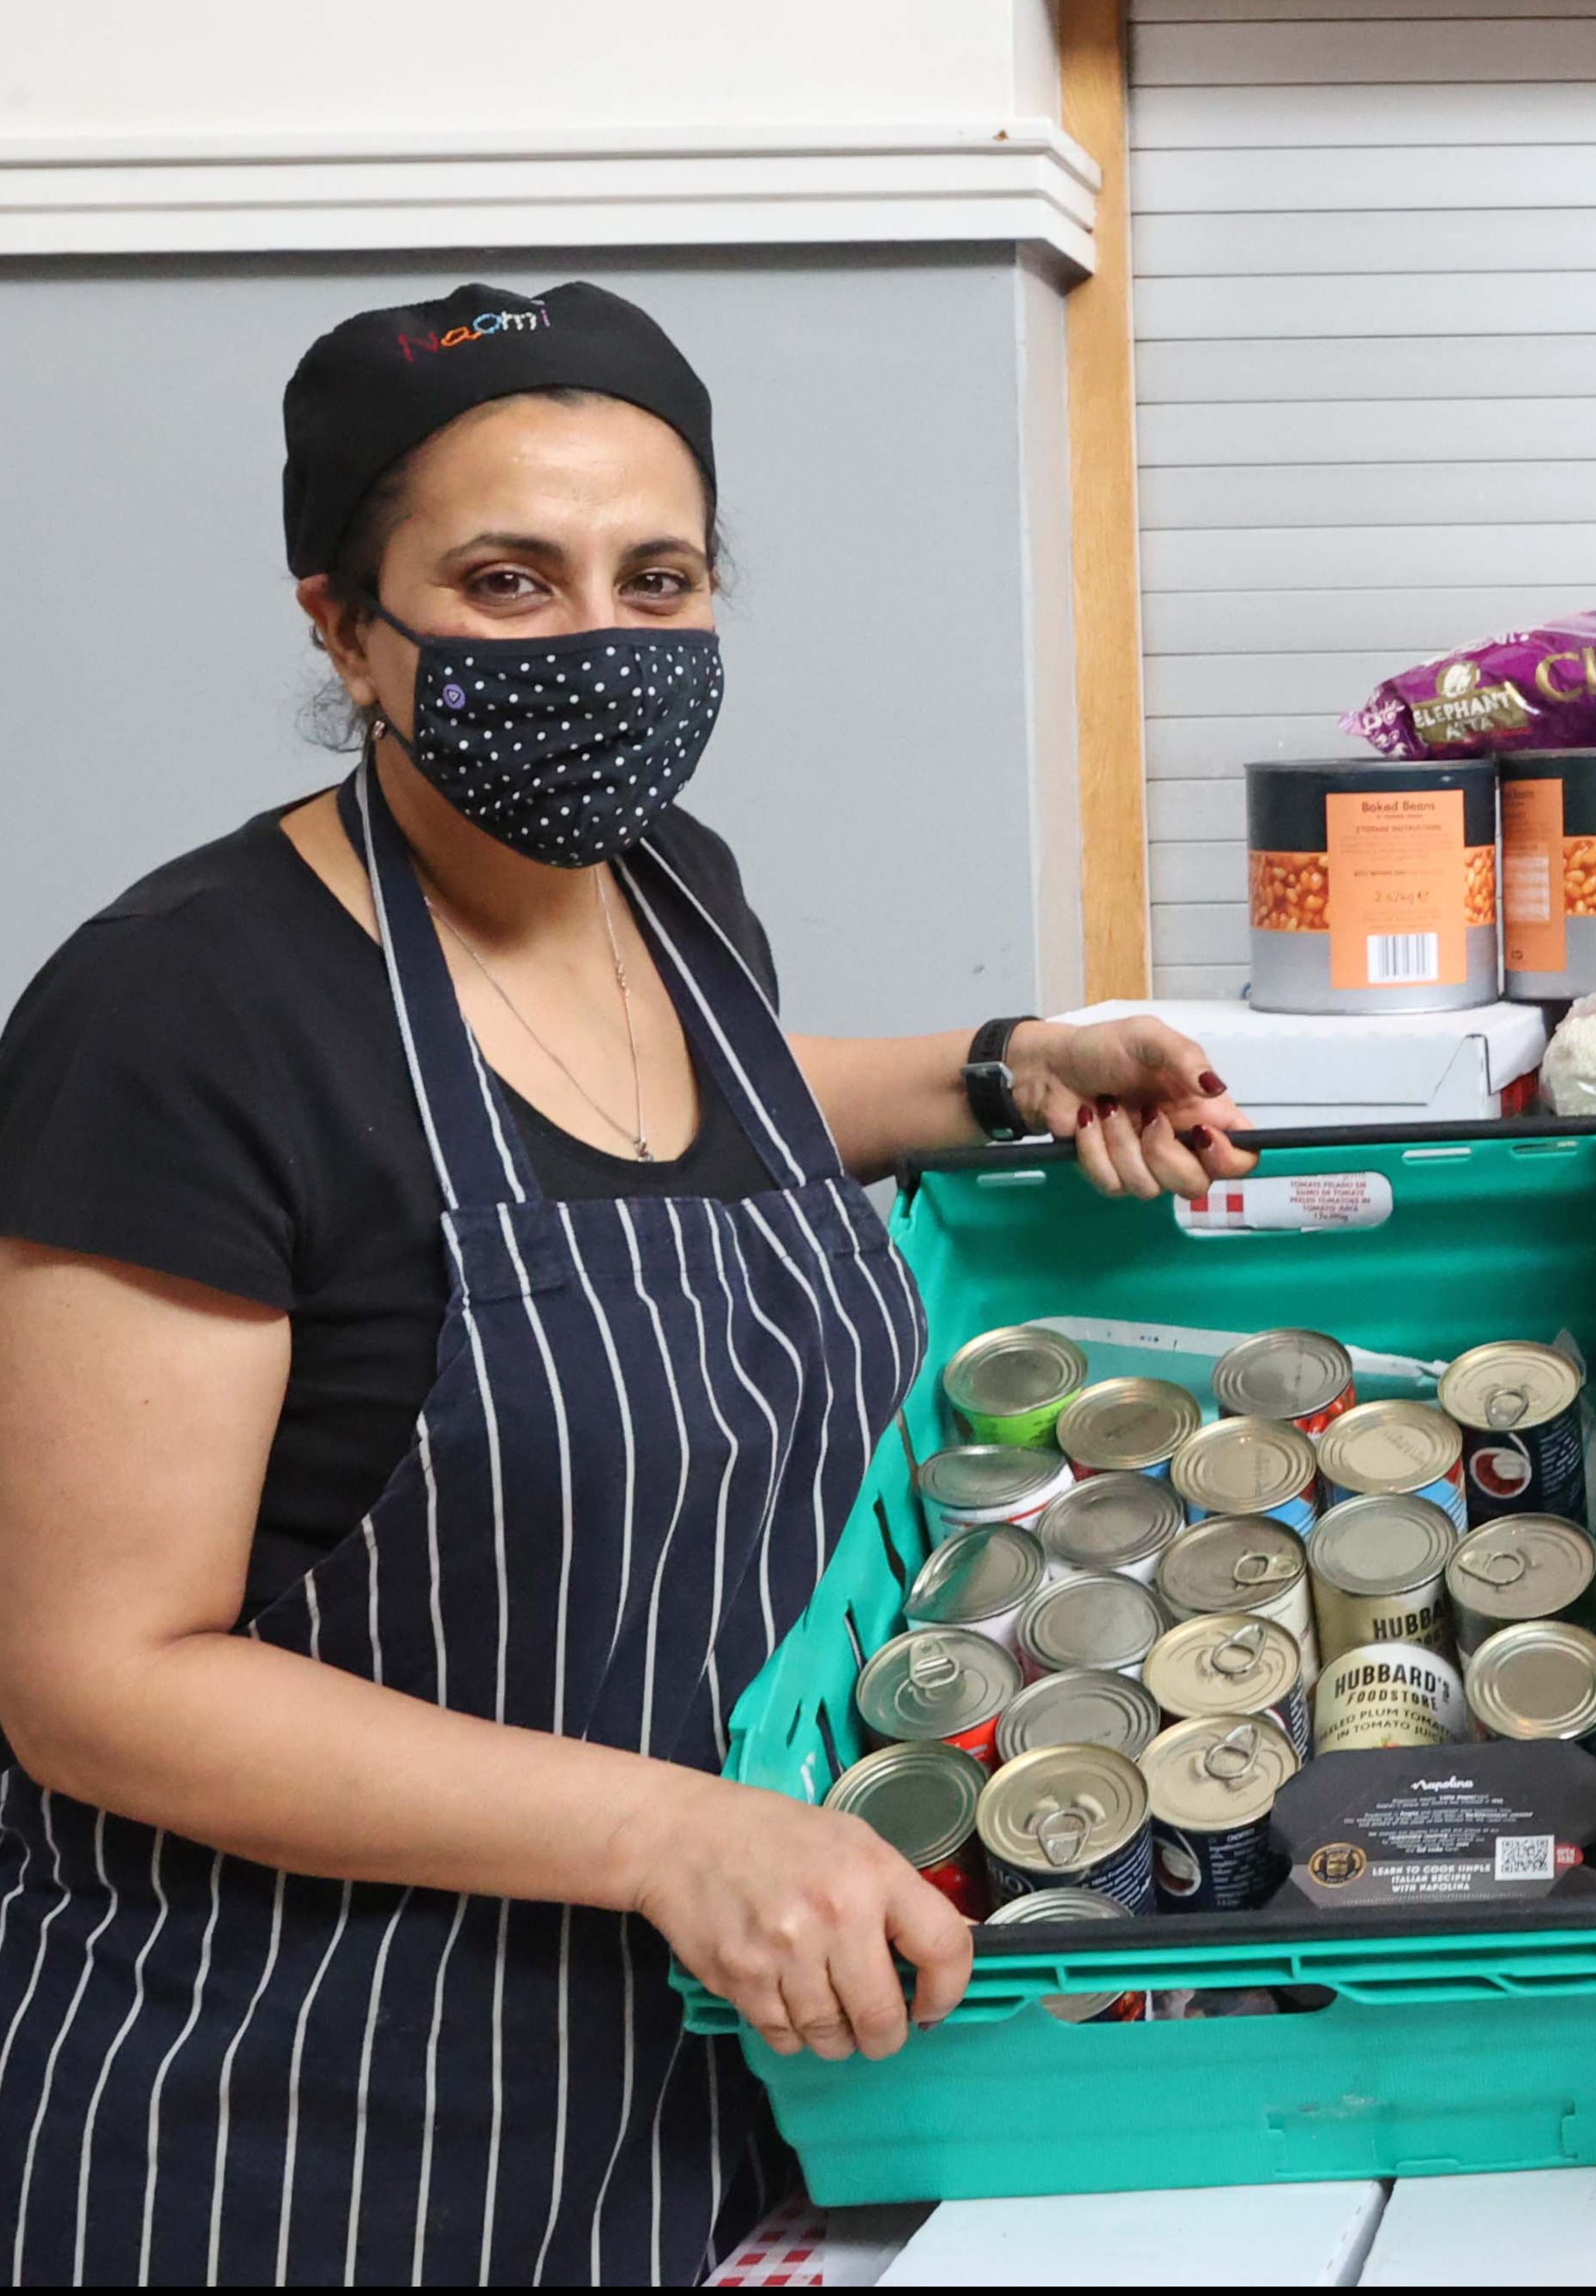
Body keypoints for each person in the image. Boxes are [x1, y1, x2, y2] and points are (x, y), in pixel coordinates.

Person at [0, 281, 1260, 2285]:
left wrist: (999, 1072)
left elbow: (679, 1122)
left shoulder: (675, 891)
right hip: (311, 2123)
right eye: (509, 581)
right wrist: (677, 1835)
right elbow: (93, 1682)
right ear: (342, 620)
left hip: (714, 2080)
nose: (600, 637)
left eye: (656, 577)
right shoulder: (180, 1019)